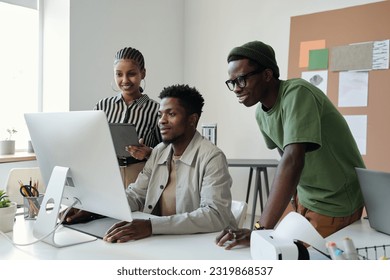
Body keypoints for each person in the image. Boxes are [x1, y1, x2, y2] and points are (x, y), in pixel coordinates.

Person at [216, 40, 365, 250]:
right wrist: (282, 212)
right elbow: (285, 156)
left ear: (267, 75)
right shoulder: (261, 113)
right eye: (231, 82)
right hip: (305, 198)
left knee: (293, 260)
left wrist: (258, 229)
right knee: (273, 249)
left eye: (241, 80)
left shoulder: (298, 93)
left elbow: (293, 161)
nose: (236, 89)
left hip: (334, 201)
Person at [65, 84, 237, 242]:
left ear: (192, 119)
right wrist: (94, 209)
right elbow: (136, 195)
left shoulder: (212, 157)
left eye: (171, 114)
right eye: (160, 115)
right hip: (164, 241)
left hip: (200, 245)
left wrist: (151, 226)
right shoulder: (159, 151)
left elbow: (215, 215)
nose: (162, 120)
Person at [94, 47, 162, 187]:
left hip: (141, 175)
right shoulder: (102, 106)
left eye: (131, 74)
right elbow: (93, 142)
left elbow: (168, 150)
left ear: (142, 73)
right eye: (119, 74)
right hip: (107, 175)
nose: (125, 80)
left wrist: (149, 152)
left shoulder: (157, 110)